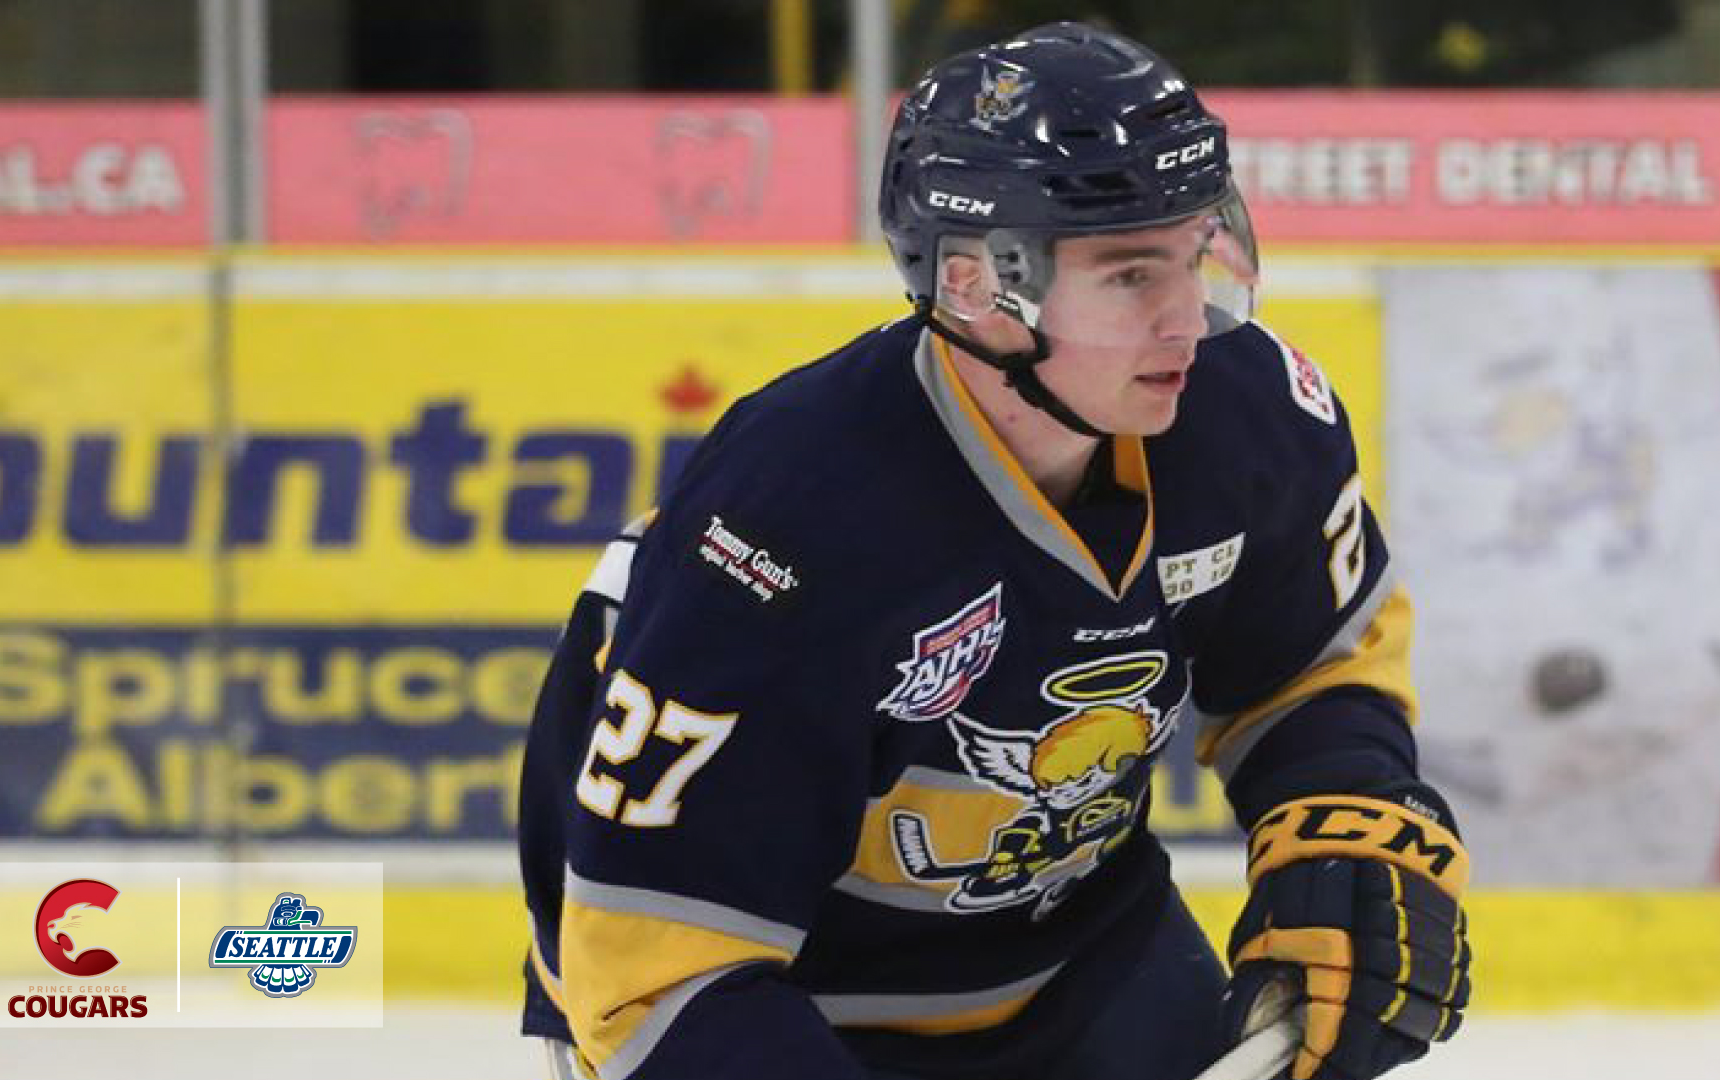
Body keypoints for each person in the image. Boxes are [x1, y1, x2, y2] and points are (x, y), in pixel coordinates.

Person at [516, 22, 1471, 1080]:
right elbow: (656, 968)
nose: (1185, 321)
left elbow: (1308, 667)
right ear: (974, 286)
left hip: (1078, 959)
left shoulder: (1249, 417)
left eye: (1195, 254)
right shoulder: (787, 526)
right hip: (768, 1002)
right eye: (1129, 275)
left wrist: (1347, 816)